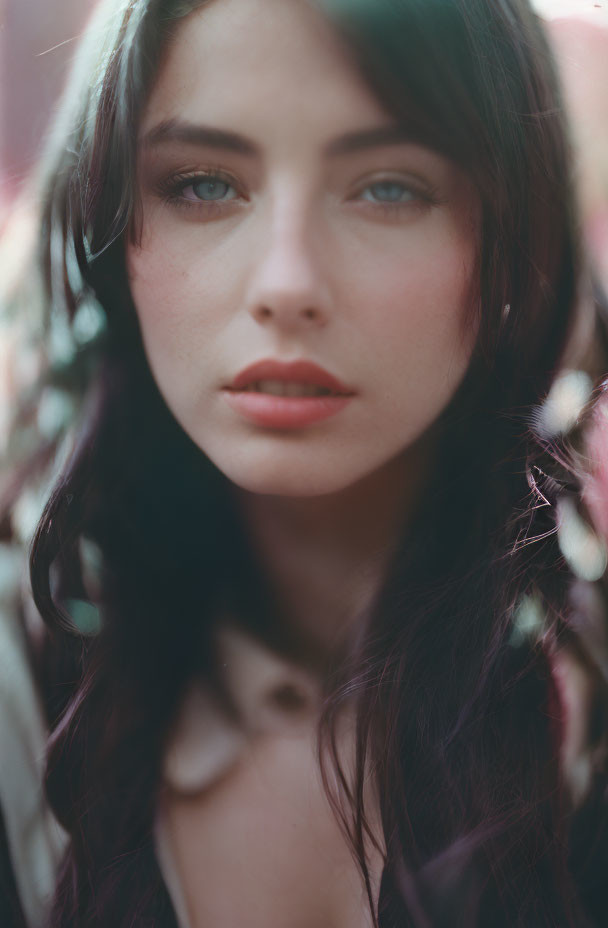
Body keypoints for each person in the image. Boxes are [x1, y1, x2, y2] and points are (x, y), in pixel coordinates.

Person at [0, 0, 607, 924]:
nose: (287, 283)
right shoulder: (18, 689)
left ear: (507, 236)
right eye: (203, 184)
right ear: (109, 228)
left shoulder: (587, 707)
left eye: (390, 187)